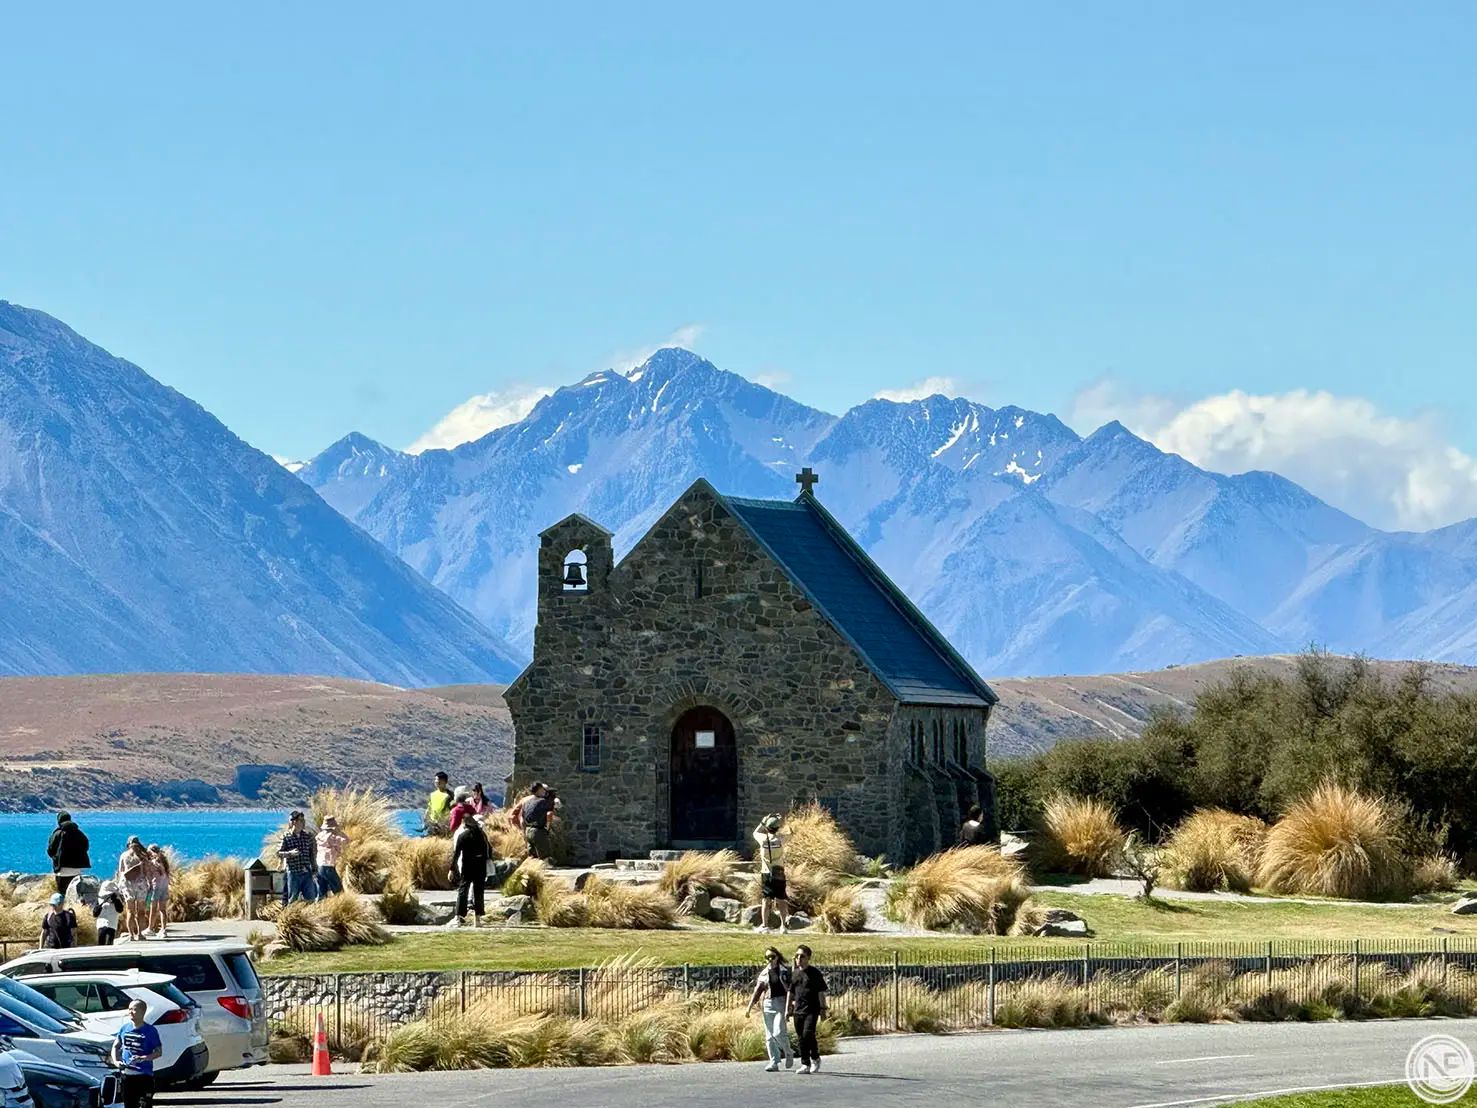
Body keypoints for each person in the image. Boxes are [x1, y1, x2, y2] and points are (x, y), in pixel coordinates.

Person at [745, 946, 794, 1072]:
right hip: (767, 1003)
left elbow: (791, 989)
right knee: (769, 1036)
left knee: (778, 1032)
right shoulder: (764, 973)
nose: (770, 960)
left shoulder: (785, 971)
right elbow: (757, 991)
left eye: (772, 957)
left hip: (781, 1003)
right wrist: (749, 1007)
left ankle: (788, 1052)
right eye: (767, 957)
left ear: (778, 957)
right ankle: (774, 1061)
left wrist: (791, 1005)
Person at [110, 998, 162, 1108]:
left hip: (144, 1076)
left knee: (144, 1105)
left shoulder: (150, 1030)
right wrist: (116, 1061)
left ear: (143, 1012)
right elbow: (115, 1046)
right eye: (129, 1009)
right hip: (127, 1076)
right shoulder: (124, 1028)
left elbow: (158, 1052)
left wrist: (144, 1058)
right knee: (129, 1105)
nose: (131, 1012)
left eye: (134, 1009)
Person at [447, 803, 490, 929]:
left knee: (463, 889)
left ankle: (459, 917)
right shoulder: (482, 835)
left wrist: (452, 869)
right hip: (480, 865)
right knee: (478, 891)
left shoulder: (463, 836)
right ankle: (477, 920)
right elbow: (488, 850)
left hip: (468, 865)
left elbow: (456, 854)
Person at [787, 945, 827, 1075]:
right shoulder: (795, 973)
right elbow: (790, 992)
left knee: (807, 1034)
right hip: (798, 1010)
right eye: (797, 956)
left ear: (808, 958)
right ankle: (805, 1063)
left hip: (812, 1010)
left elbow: (821, 992)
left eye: (802, 956)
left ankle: (814, 1058)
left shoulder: (815, 973)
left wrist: (822, 1009)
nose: (799, 958)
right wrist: (787, 1009)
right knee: (801, 1038)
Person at [753, 815, 790, 934]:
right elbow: (791, 834)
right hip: (779, 872)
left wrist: (763, 821)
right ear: (777, 828)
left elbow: (755, 832)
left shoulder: (762, 839)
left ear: (767, 828)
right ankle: (783, 926)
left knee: (766, 900)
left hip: (766, 872)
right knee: (781, 900)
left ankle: (765, 926)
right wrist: (783, 821)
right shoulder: (781, 839)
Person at [276, 811, 319, 903]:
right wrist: (290, 853)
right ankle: (292, 915)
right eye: (300, 820)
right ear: (293, 822)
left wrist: (314, 868)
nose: (303, 822)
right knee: (293, 899)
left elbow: (311, 854)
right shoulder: (286, 837)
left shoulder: (307, 836)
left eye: (303, 820)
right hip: (293, 872)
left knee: (310, 898)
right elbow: (278, 853)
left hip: (307, 872)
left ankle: (309, 915)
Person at [116, 837, 153, 942]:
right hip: (141, 884)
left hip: (127, 884)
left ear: (128, 844)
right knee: (141, 912)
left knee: (130, 911)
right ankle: (140, 934)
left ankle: (131, 935)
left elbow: (120, 871)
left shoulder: (124, 855)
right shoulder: (143, 856)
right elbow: (147, 872)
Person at [46, 812, 90, 898]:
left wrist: (55, 858)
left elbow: (50, 850)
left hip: (62, 870)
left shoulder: (57, 833)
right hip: (77, 869)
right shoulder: (79, 833)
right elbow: (86, 846)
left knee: (62, 894)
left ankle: (62, 909)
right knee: (75, 894)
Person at [316, 815, 349, 896]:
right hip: (329, 867)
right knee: (339, 892)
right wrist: (339, 832)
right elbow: (347, 841)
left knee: (322, 892)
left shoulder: (319, 836)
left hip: (320, 866)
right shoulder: (333, 837)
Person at [520, 783, 554, 860]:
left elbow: (522, 820)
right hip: (538, 831)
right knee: (545, 858)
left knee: (532, 857)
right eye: (543, 790)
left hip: (528, 831)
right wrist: (547, 828)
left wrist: (524, 833)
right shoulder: (543, 801)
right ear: (539, 790)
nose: (545, 792)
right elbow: (549, 813)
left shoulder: (526, 803)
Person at [145, 846, 171, 938]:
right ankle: (163, 929)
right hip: (164, 887)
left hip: (156, 888)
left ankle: (150, 928)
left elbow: (149, 877)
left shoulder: (152, 863)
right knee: (162, 909)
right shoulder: (164, 862)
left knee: (153, 909)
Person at [93, 880, 124, 946]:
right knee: (101, 939)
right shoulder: (99, 900)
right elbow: (95, 913)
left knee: (110, 941)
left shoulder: (118, 900)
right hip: (101, 923)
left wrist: (115, 901)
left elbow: (120, 910)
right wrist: (102, 903)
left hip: (112, 923)